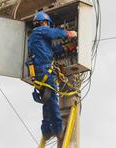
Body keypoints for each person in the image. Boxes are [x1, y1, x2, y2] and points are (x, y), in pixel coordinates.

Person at [27, 11, 77, 141]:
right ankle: (58, 129)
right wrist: (68, 33)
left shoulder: (38, 40)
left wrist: (67, 48)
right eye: (47, 25)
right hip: (44, 71)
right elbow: (54, 33)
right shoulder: (39, 31)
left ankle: (46, 131)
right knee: (53, 101)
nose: (48, 27)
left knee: (48, 103)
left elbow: (52, 51)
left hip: (41, 72)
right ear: (44, 23)